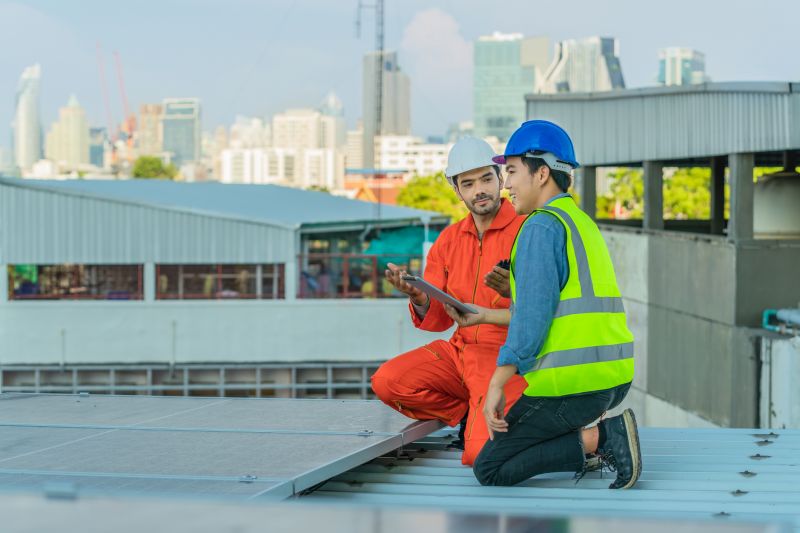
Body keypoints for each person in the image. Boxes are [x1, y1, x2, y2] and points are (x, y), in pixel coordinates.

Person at [444, 120, 642, 489]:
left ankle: (604, 437)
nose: (506, 184)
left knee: (490, 468)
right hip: (612, 377)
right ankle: (594, 442)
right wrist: (484, 315)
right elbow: (557, 307)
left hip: (573, 383)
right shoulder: (579, 221)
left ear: (542, 174)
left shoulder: (540, 227)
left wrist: (498, 383)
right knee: (523, 442)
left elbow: (532, 322)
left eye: (512, 171)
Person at [371, 137, 528, 466]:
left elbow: (543, 307)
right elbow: (440, 320)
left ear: (500, 178)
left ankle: (482, 423)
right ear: (456, 190)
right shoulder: (449, 240)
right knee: (388, 381)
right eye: (468, 184)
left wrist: (510, 293)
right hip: (459, 352)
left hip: (506, 359)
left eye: (486, 179)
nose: (479, 190)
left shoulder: (527, 229)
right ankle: (468, 414)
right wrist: (419, 297)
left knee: (481, 457)